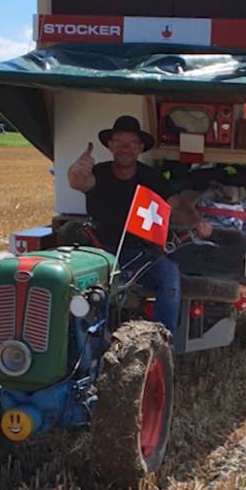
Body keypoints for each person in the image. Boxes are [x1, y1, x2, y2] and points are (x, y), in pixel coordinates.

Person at [68, 115, 211, 336]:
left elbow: (176, 205)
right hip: (99, 254)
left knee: (169, 276)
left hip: (140, 256)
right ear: (110, 145)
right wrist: (76, 170)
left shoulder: (151, 178)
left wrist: (196, 222)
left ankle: (162, 341)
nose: (125, 148)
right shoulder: (98, 173)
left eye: (132, 143)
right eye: (119, 142)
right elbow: (78, 182)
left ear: (140, 148)